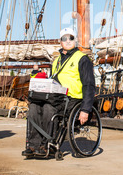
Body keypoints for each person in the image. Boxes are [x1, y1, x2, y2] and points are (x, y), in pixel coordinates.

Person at [23, 28, 95, 158]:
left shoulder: (82, 59)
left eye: (71, 38)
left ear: (75, 40)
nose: (68, 41)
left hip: (73, 99)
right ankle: (33, 145)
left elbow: (89, 85)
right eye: (64, 39)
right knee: (34, 106)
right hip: (56, 96)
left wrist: (85, 109)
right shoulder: (56, 61)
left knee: (48, 108)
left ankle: (46, 145)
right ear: (60, 42)